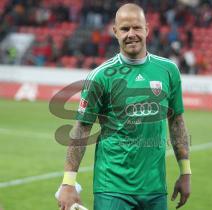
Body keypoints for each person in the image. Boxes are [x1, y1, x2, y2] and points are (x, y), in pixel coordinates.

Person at [57, 3, 191, 210]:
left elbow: (177, 121)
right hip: (112, 188)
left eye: (137, 27)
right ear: (115, 32)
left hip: (154, 188)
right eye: (125, 28)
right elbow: (82, 128)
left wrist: (185, 172)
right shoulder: (100, 77)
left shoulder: (168, 71)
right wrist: (68, 182)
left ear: (147, 28)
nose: (131, 34)